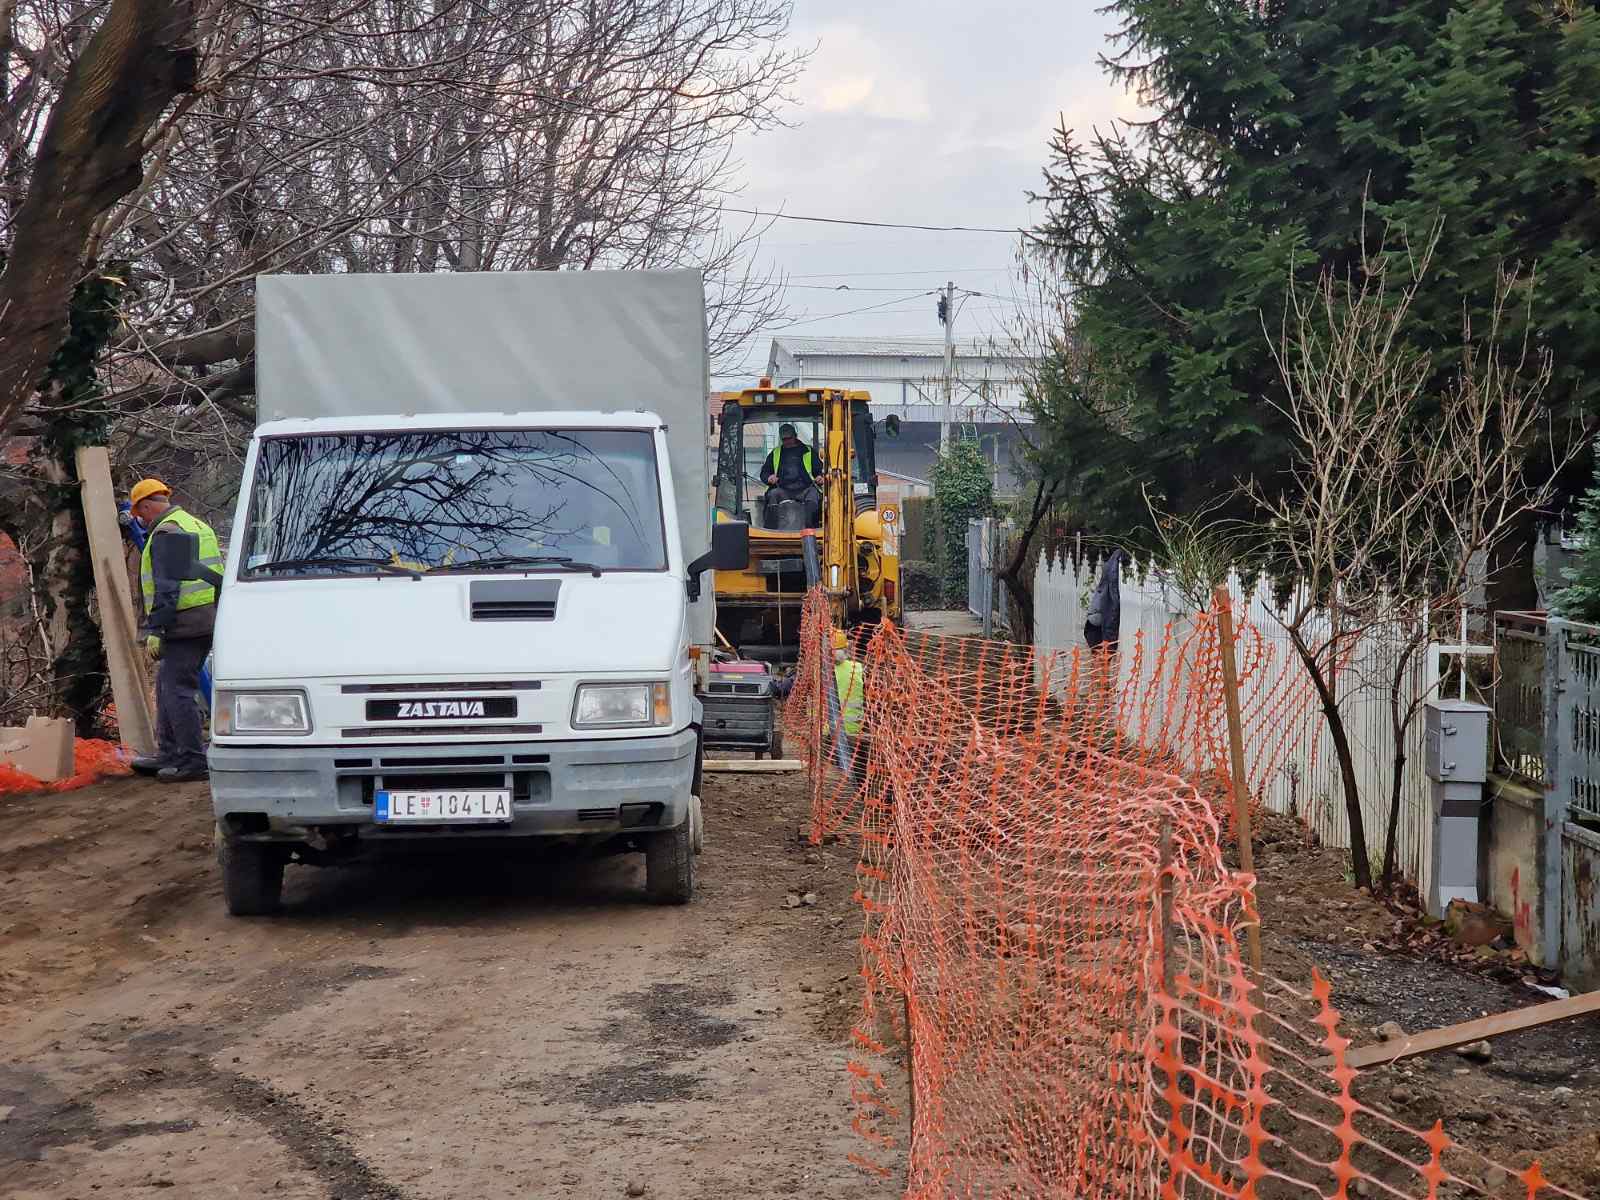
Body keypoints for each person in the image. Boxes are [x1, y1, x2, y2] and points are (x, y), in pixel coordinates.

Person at [128, 479, 223, 783]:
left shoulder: (167, 533)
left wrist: (157, 629)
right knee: (167, 684)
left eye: (140, 514)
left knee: (177, 690)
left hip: (184, 623)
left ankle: (192, 761)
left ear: (146, 506)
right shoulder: (195, 524)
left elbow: (167, 588)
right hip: (205, 619)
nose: (141, 520)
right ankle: (169, 754)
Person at [762, 422, 821, 527]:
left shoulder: (808, 451)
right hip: (783, 489)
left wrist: (820, 477)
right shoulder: (776, 453)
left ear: (795, 436)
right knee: (772, 495)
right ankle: (771, 530)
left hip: (806, 488)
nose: (787, 441)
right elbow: (764, 472)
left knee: (813, 496)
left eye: (789, 438)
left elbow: (819, 470)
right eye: (784, 439)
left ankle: (811, 528)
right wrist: (769, 478)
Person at [832, 629, 867, 784]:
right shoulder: (858, 669)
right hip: (854, 730)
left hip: (827, 731)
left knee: (834, 774)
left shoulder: (818, 670)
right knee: (857, 769)